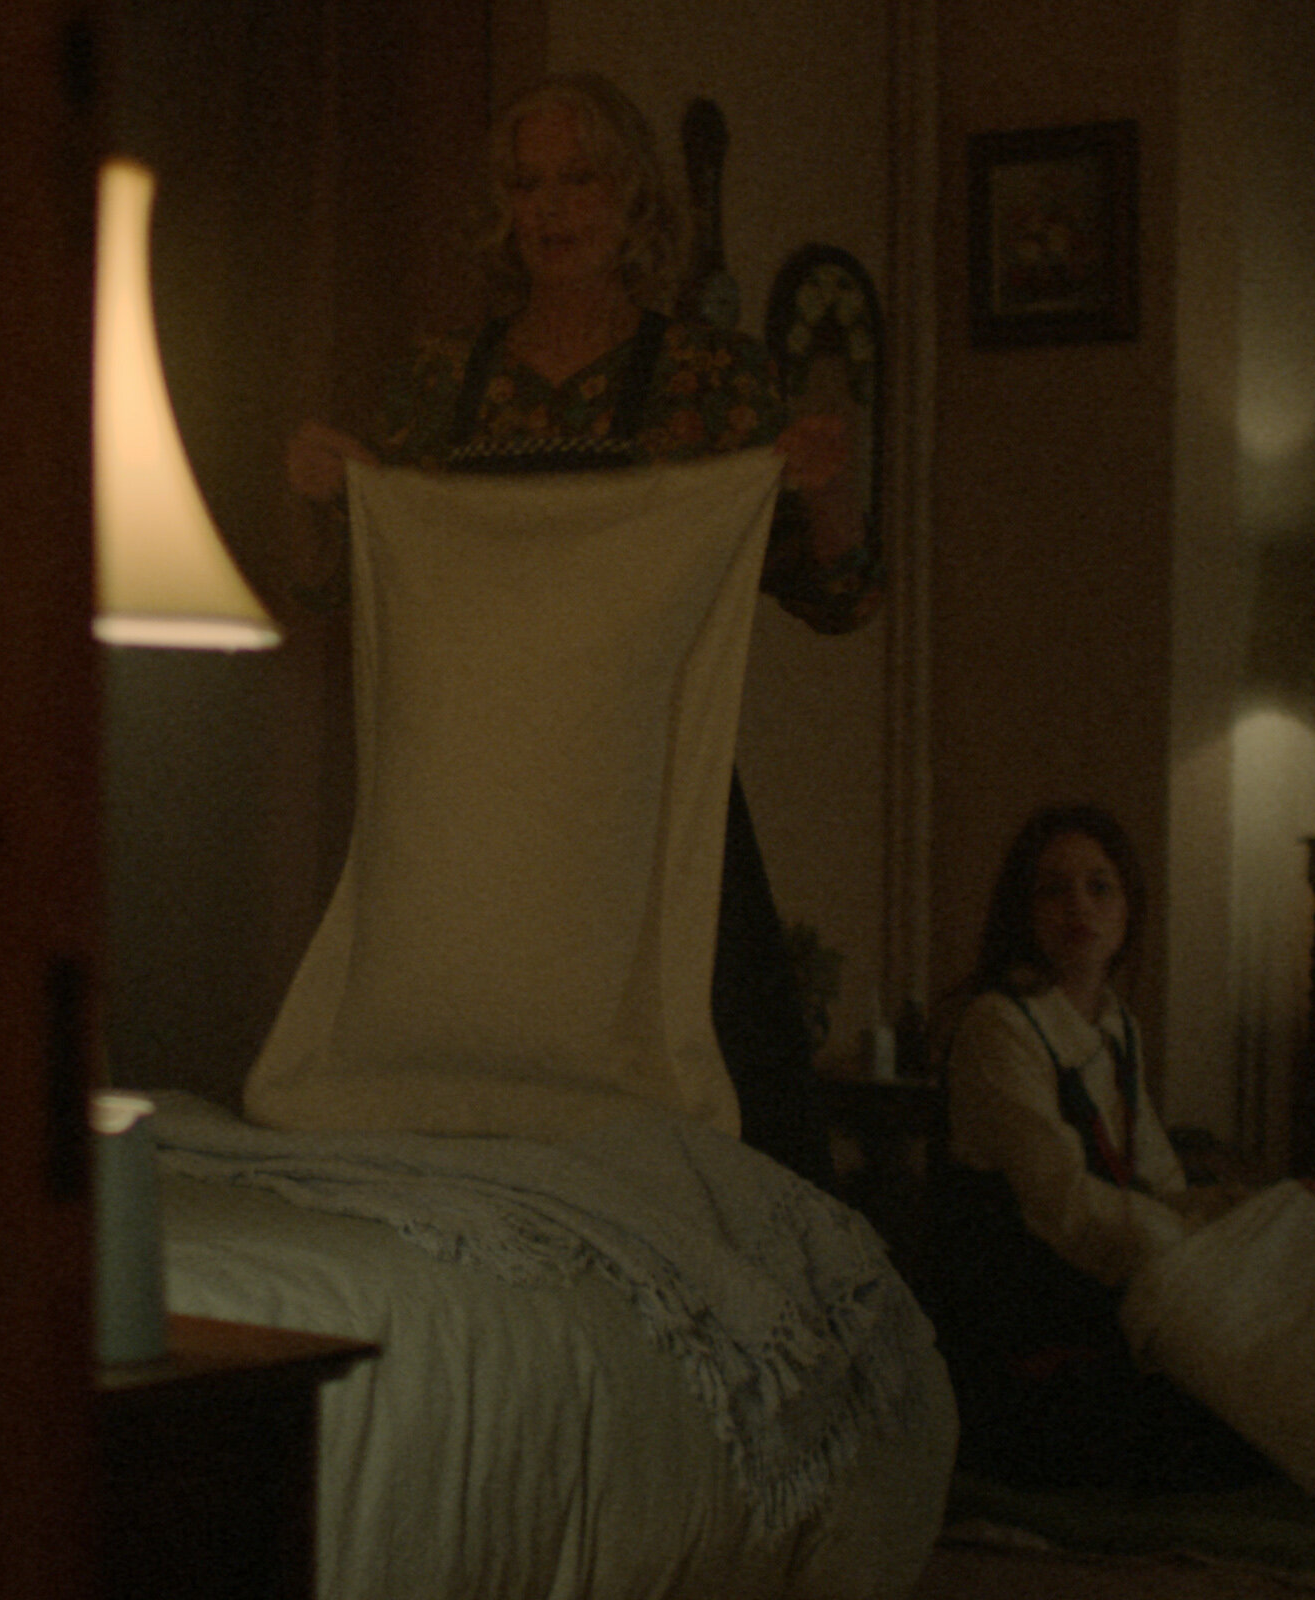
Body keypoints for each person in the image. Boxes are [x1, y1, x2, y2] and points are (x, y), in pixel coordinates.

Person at [282, 73, 875, 1181]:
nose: (551, 209)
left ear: (633, 197)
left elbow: (835, 596)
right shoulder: (438, 384)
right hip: (474, 824)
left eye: (580, 179)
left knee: (722, 1156)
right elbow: (338, 592)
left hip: (656, 813)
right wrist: (333, 500)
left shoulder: (711, 380)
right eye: (526, 184)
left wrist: (825, 486)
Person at [924, 804, 1282, 1491]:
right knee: (1230, 1430)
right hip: (1031, 1323)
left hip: (1104, 1292)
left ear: (1127, 909)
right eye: (1052, 890)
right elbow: (1063, 1206)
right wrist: (1192, 1254)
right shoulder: (1000, 1027)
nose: (1078, 907)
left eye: (1099, 887)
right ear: (1024, 910)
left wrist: (1254, 1212)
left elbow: (1159, 1185)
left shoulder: (1117, 1029)